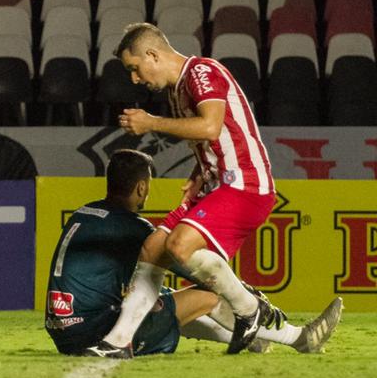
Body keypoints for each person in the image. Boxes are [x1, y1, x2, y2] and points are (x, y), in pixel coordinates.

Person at [85, 23, 281, 358]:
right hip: (217, 186)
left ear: (152, 54)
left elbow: (210, 126)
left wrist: (151, 122)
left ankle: (249, 308)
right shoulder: (178, 91)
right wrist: (198, 172)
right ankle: (118, 343)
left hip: (245, 184)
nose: (135, 79)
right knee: (152, 249)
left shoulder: (201, 72)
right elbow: (212, 140)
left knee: (179, 245)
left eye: (135, 68)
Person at [45, 149, 343, 356]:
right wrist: (246, 295)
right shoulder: (135, 228)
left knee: (157, 298)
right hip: (94, 332)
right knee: (207, 297)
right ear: (141, 188)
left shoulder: (83, 213)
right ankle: (297, 337)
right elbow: (202, 274)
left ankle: (251, 338)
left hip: (62, 330)